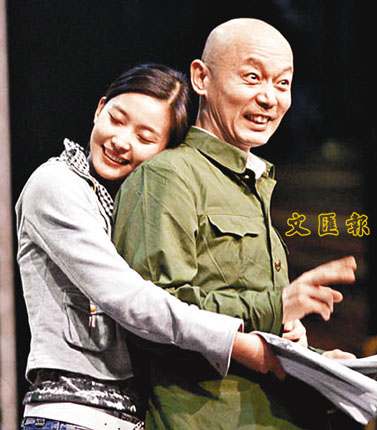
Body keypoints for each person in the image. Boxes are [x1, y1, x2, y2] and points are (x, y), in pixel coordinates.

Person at [113, 20, 358, 429]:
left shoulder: (253, 185)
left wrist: (315, 365)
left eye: (283, 83)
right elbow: (151, 313)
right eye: (252, 77)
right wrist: (277, 307)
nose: (269, 98)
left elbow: (260, 337)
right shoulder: (168, 176)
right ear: (201, 78)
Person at [16, 63, 287, 430]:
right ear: (99, 109)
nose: (121, 141)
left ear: (163, 152)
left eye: (145, 138)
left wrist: (283, 332)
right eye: (116, 119)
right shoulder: (56, 185)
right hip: (73, 416)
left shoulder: (131, 205)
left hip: (133, 417)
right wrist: (236, 342)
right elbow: (128, 297)